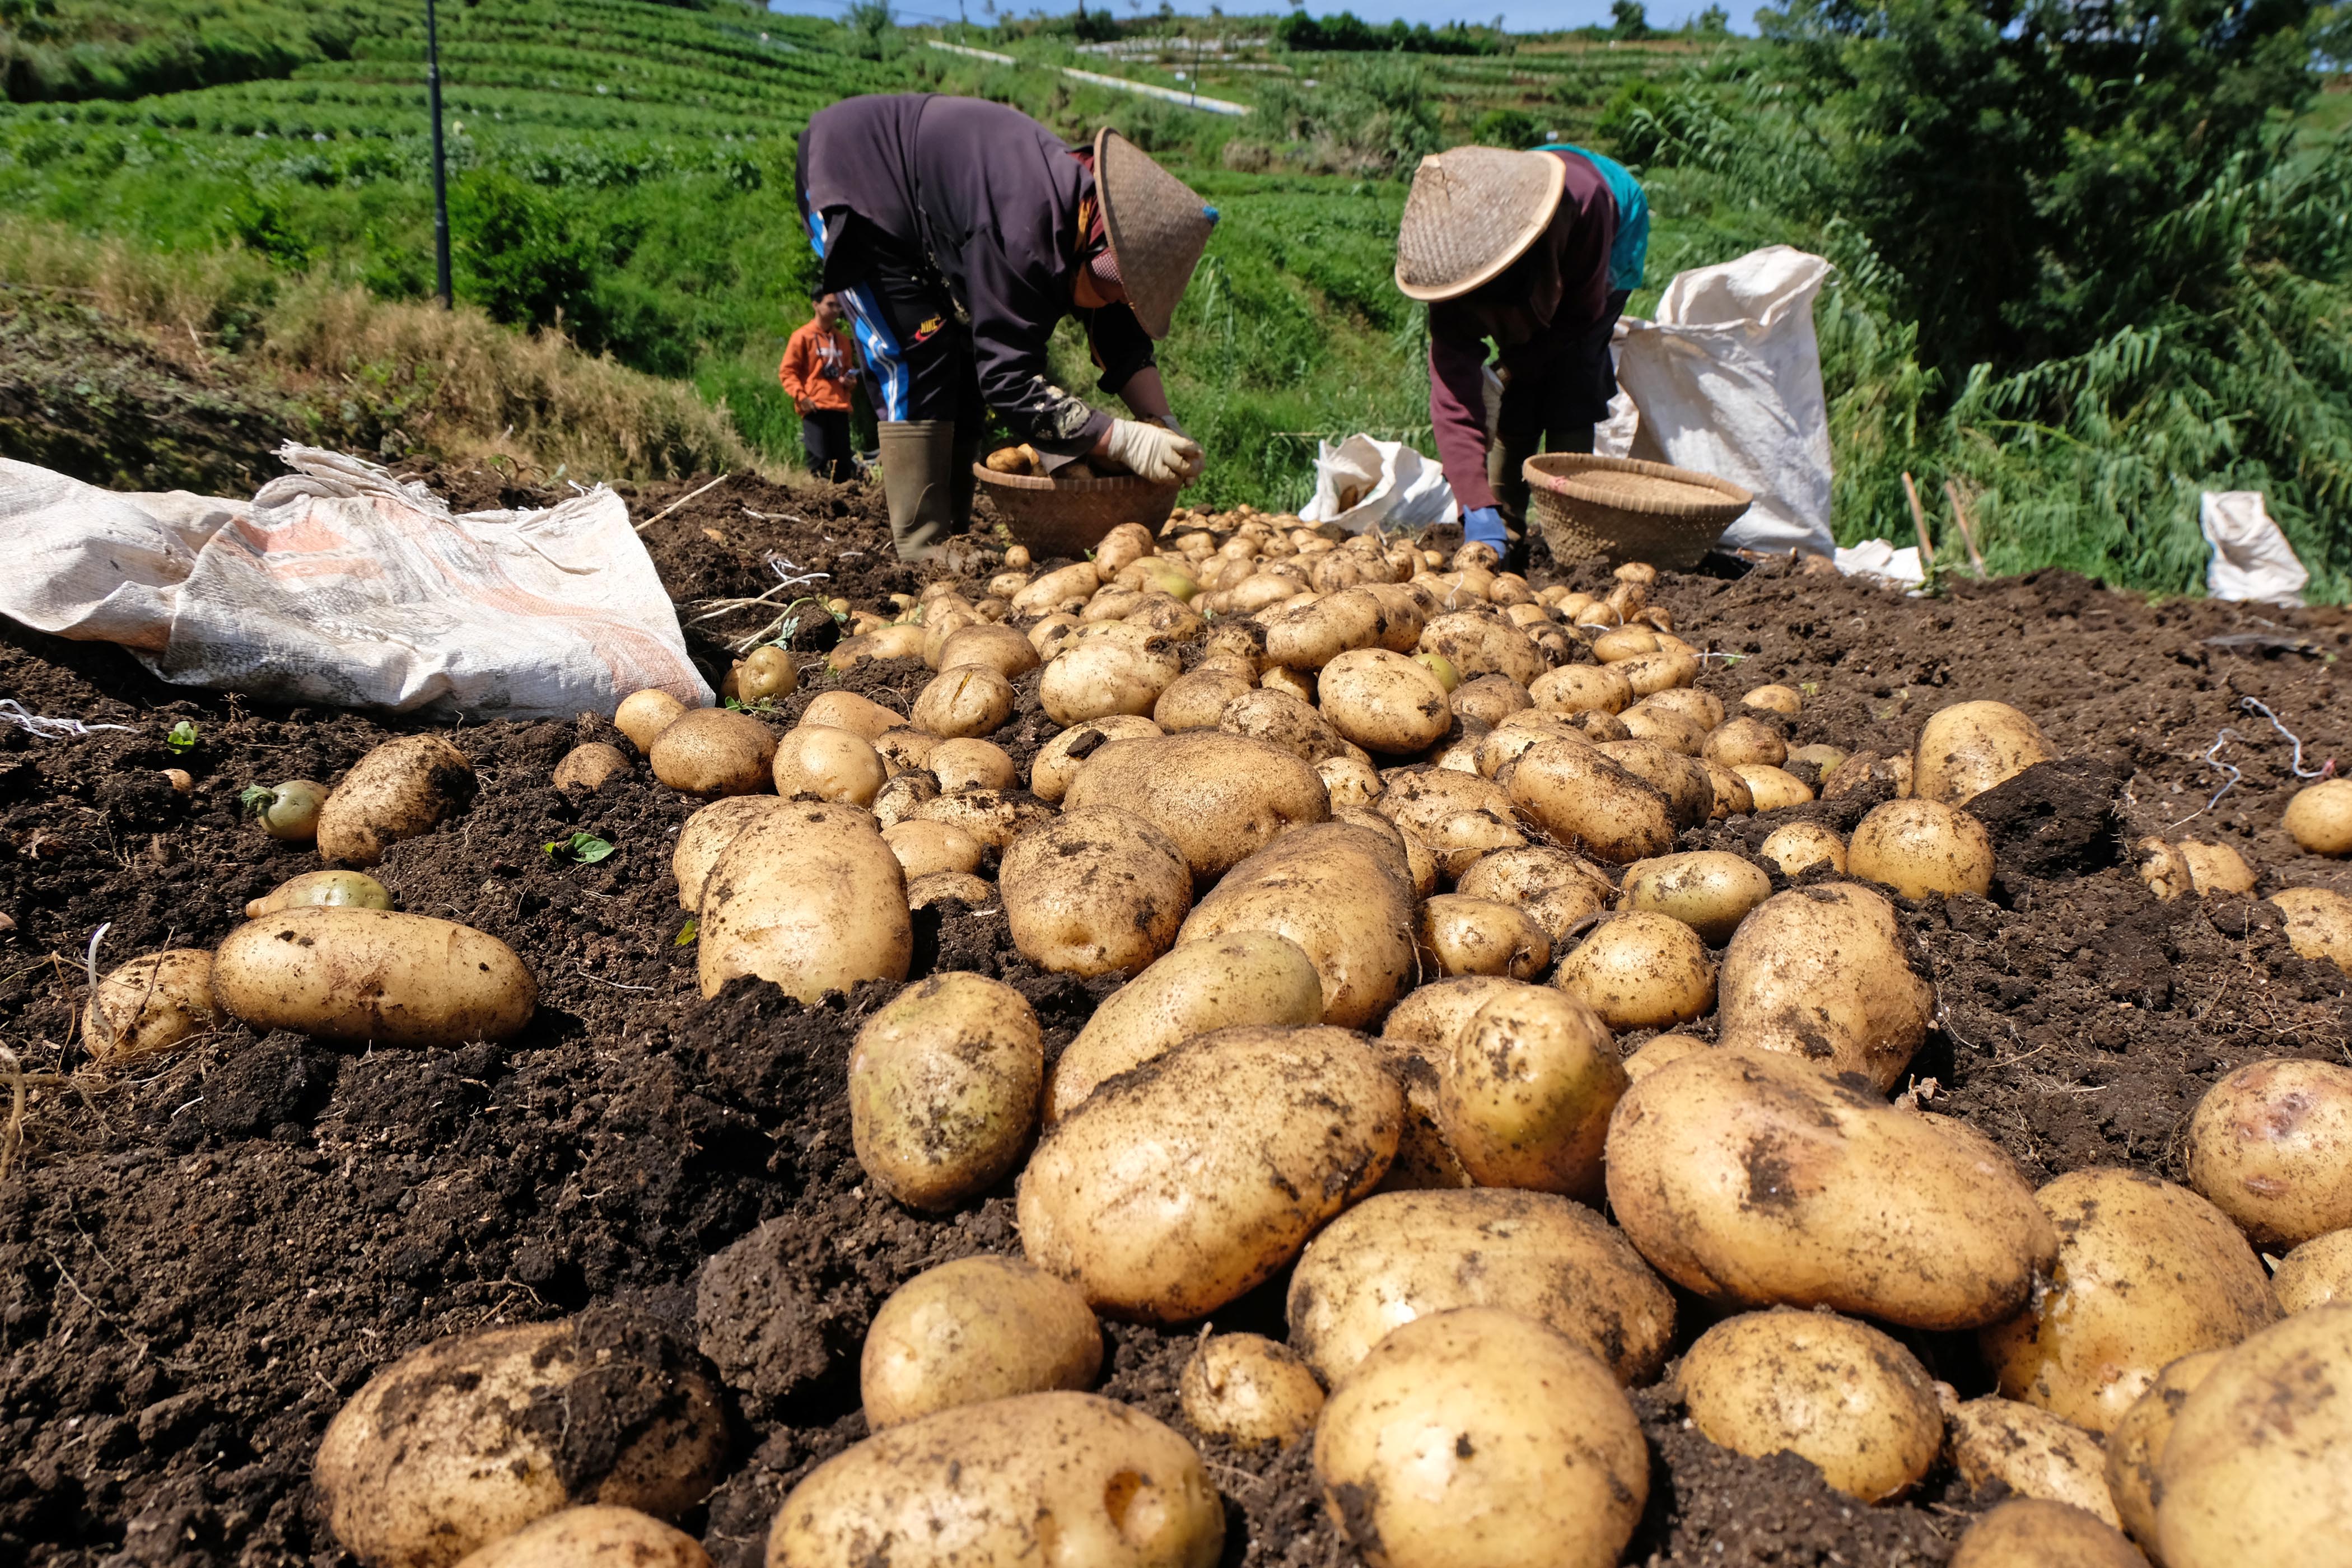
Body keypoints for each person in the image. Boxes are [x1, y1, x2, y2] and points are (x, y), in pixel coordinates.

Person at [797, 93, 1216, 560]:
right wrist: (1123, 440)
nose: (1118, 301)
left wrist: (1163, 422)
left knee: (960, 353)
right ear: (1098, 248)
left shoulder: (1087, 216)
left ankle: (950, 533)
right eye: (1117, 288)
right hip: (854, 179)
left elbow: (1115, 317)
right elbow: (1007, 379)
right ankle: (921, 547)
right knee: (919, 349)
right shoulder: (1026, 230)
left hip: (921, 203)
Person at [1395, 141, 1650, 564]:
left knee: (1574, 374)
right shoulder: (1451, 261)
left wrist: (1510, 369)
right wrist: (1472, 502)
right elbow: (1453, 389)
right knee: (1517, 398)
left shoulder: (1587, 206)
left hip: (1612, 223)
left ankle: (1571, 532)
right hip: (1518, 227)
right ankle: (1503, 518)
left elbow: (1577, 320)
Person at [778, 290, 865, 483]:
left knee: (842, 462)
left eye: (838, 306)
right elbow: (787, 372)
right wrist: (801, 397)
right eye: (831, 305)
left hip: (839, 406)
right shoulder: (802, 336)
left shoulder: (842, 340)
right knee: (818, 460)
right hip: (814, 406)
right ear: (815, 305)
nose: (836, 310)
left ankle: (845, 502)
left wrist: (850, 382)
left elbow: (848, 370)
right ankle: (815, 499)